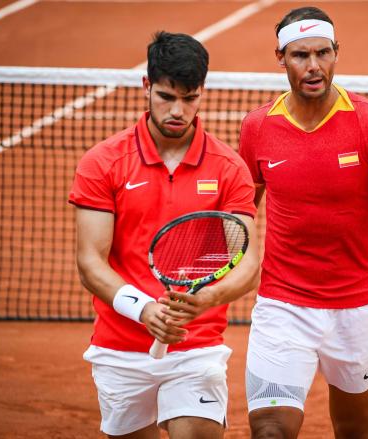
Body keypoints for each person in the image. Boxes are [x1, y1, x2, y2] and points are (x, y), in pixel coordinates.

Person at [238, 6, 368, 438]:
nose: (313, 66)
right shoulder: (257, 128)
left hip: (358, 311)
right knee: (270, 429)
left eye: (323, 53)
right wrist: (221, 268)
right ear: (280, 57)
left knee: (354, 430)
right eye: (300, 55)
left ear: (336, 53)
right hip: (282, 307)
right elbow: (240, 211)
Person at [69, 31, 259, 439]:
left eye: (190, 99)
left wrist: (202, 300)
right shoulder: (102, 163)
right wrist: (143, 310)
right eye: (166, 96)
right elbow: (90, 261)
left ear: (201, 94)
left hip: (197, 345)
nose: (178, 110)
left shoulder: (228, 168)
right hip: (120, 346)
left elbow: (248, 264)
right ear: (146, 87)